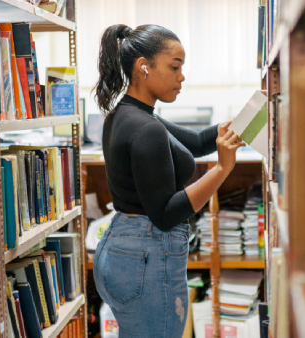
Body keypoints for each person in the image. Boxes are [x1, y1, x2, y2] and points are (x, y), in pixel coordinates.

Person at [92, 24, 245, 338]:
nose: (182, 77)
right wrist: (222, 169)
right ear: (143, 66)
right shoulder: (145, 128)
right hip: (145, 257)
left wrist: (245, 120)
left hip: (123, 249)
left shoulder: (127, 114)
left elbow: (198, 141)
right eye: (175, 67)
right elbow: (165, 214)